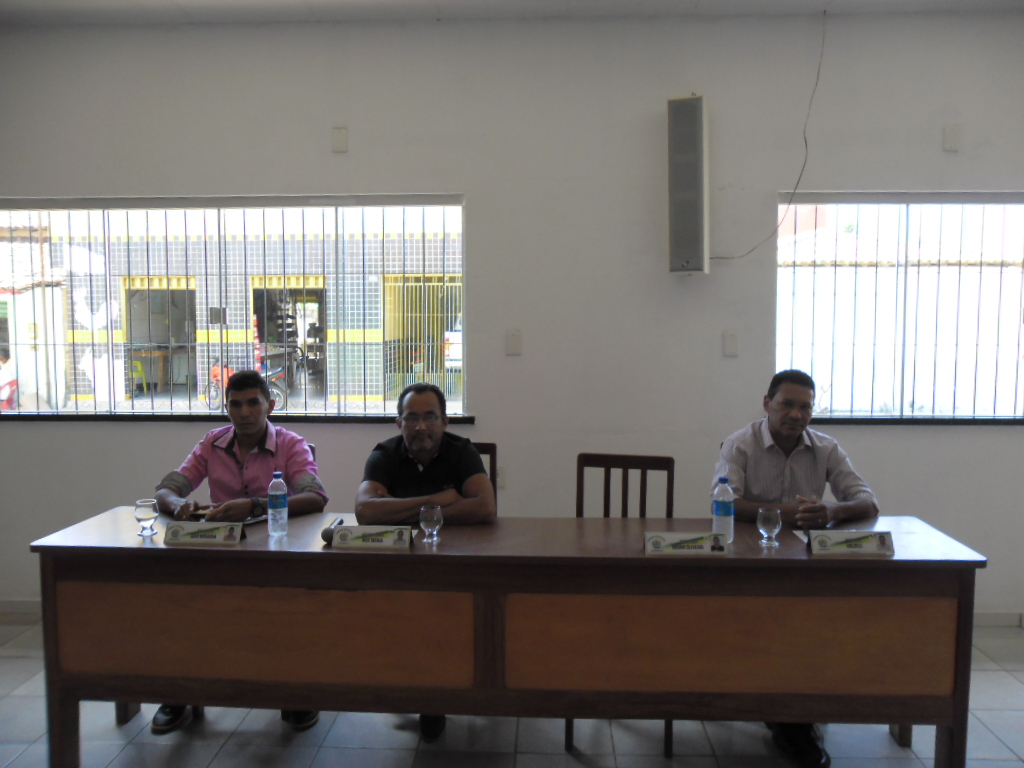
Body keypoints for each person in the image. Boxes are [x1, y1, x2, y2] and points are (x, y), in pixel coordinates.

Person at [714, 369, 878, 768]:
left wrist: (832, 511)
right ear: (767, 403)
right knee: (772, 625)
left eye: (805, 407)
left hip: (806, 564)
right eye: (787, 404)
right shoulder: (740, 444)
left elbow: (867, 501)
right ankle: (783, 711)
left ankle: (795, 716)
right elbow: (727, 502)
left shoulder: (826, 447)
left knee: (813, 625)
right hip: (749, 563)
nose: (796, 414)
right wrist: (793, 513)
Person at [152, 369, 328, 735]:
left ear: (270, 406)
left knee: (289, 611)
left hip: (277, 551)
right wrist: (179, 505)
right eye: (235, 404)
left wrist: (257, 505)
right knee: (178, 603)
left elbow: (315, 497)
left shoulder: (291, 444)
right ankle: (177, 692)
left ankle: (297, 694)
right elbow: (167, 489)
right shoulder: (212, 443)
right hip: (221, 551)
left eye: (253, 404)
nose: (244, 413)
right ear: (227, 407)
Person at [355, 381, 496, 741]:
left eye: (430, 417)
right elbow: (366, 512)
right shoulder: (384, 454)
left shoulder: (461, 450)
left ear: (445, 421)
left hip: (457, 565)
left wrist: (397, 509)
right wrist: (441, 500)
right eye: (411, 418)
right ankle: (420, 689)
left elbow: (484, 507)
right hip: (400, 570)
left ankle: (437, 696)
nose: (421, 427)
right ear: (398, 423)